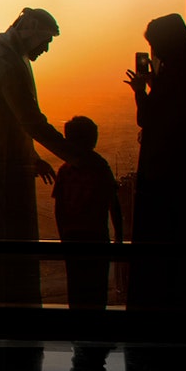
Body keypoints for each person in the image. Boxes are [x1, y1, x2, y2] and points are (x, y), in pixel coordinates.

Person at [0, 7, 71, 304]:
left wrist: (29, 154)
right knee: (13, 251)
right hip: (6, 172)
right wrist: (74, 155)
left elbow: (9, 119)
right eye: (45, 40)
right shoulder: (7, 64)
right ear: (29, 30)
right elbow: (30, 121)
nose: (46, 48)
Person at [123, 12, 186, 311]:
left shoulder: (174, 75)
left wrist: (141, 92)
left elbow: (148, 119)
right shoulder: (184, 70)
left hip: (161, 174)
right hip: (175, 171)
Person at [52, 115, 123, 311]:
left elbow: (59, 209)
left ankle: (78, 329)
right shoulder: (100, 166)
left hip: (72, 237)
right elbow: (113, 203)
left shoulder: (65, 170)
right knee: (96, 287)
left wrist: (62, 236)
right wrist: (119, 235)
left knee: (76, 286)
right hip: (96, 235)